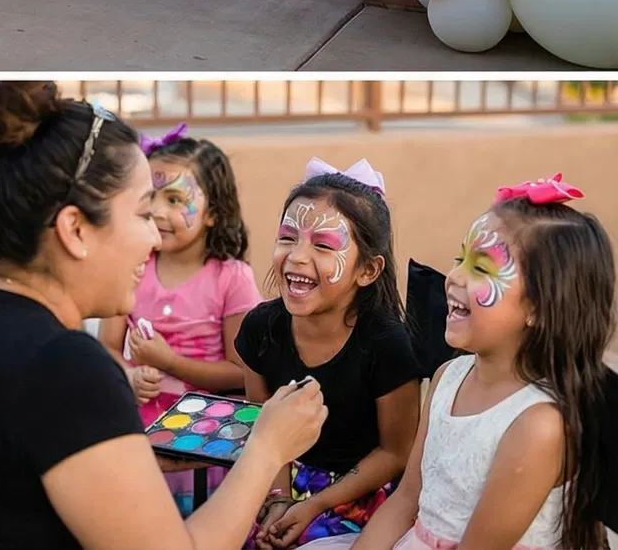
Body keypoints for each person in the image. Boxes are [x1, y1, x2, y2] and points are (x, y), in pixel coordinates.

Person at [0, 82, 327, 550]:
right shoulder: (65, 367)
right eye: (143, 212)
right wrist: (268, 449)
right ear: (75, 228)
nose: (154, 236)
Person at [357, 173, 616, 550]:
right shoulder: (448, 376)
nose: (455, 276)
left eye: (481, 268)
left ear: (539, 306)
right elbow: (407, 497)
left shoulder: (538, 425)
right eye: (461, 258)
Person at [236, 160, 422, 546]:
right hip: (276, 479)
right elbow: (260, 419)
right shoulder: (260, 329)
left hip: (358, 498)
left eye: (322, 245)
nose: (297, 257)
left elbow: (395, 451)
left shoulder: (387, 345)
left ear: (367, 270)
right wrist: (278, 497)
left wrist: (314, 505)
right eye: (288, 238)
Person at [97, 125, 259, 511]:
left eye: (175, 199)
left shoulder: (231, 278)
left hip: (203, 441)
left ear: (213, 214)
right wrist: (130, 373)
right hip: (140, 432)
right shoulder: (133, 267)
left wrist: (168, 362)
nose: (157, 211)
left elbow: (244, 372)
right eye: (150, 197)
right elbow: (105, 345)